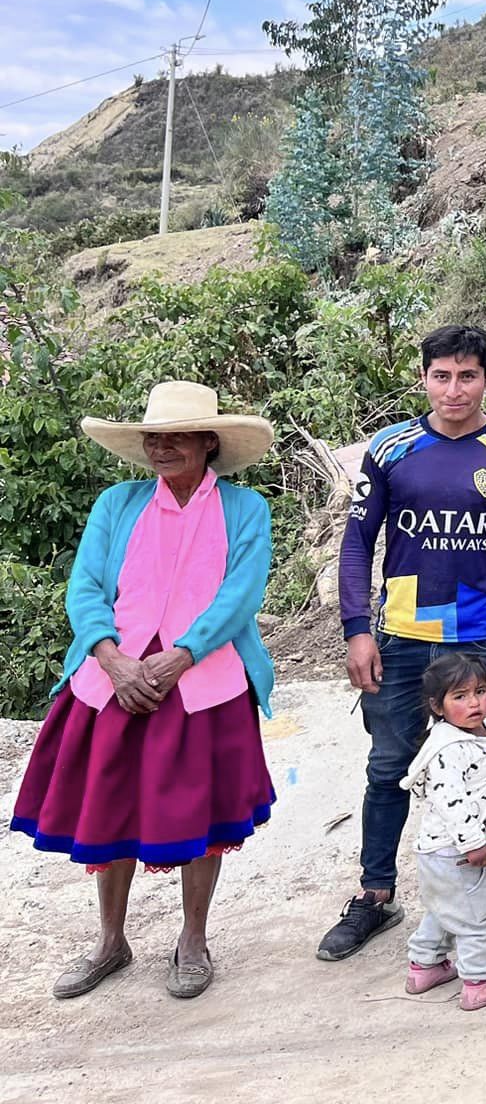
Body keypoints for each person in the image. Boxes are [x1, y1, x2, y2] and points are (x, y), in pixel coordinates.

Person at [10, 382, 277, 1001]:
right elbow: (85, 589)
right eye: (153, 437)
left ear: (208, 442)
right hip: (115, 681)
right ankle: (110, 940)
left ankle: (193, 939)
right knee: (111, 807)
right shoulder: (117, 504)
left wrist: (183, 655)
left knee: (204, 815)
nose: (162, 448)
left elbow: (241, 594)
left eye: (177, 436)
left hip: (203, 684)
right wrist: (112, 657)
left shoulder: (244, 510)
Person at [319, 325, 486, 963]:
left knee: (476, 769)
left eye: (467, 376)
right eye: (442, 375)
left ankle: (471, 898)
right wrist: (357, 628)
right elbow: (358, 542)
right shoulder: (390, 450)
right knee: (390, 767)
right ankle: (374, 895)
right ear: (424, 378)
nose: (454, 389)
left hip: (479, 641)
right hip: (400, 639)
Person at [399, 651, 486, 1012]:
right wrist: (474, 844)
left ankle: (424, 966)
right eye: (460, 696)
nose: (474, 703)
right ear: (437, 706)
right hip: (455, 854)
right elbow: (452, 802)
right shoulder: (446, 750)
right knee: (477, 918)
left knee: (445, 910)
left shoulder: (483, 731)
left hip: (446, 855)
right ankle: (479, 982)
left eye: (480, 691)